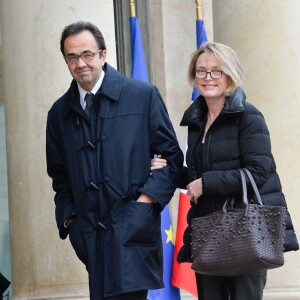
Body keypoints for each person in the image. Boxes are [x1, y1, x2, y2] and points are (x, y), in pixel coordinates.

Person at [46, 21, 183, 300]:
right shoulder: (59, 113)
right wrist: (71, 219)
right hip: (90, 233)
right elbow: (59, 176)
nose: (80, 63)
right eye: (72, 57)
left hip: (132, 228)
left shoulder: (142, 96)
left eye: (87, 54)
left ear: (103, 55)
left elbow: (170, 156)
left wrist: (144, 203)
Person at [151, 41, 299, 300]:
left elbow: (258, 171)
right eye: (201, 71)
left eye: (216, 71)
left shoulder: (248, 116)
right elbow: (199, 173)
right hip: (209, 234)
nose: (208, 78)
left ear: (230, 74)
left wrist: (205, 184)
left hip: (245, 232)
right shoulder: (196, 121)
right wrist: (170, 170)